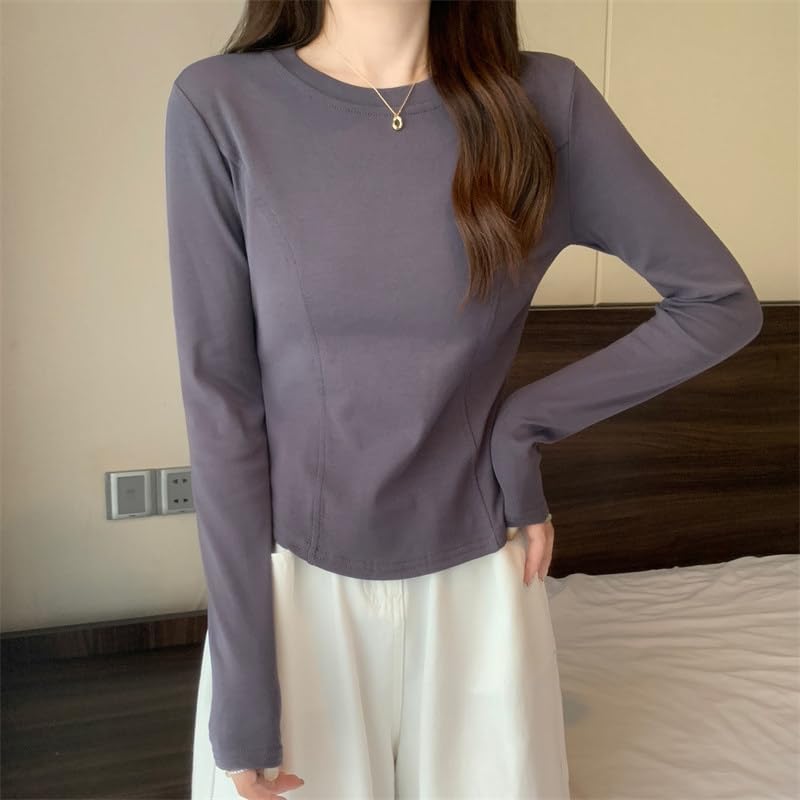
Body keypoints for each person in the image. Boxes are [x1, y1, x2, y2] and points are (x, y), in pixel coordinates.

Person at [163, 1, 763, 798]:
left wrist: (523, 426)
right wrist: (243, 687)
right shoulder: (221, 104)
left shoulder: (545, 102)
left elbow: (718, 303)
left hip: (480, 584)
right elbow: (221, 402)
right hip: (292, 588)